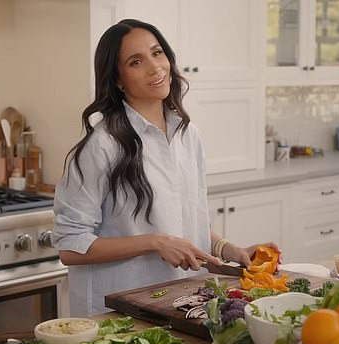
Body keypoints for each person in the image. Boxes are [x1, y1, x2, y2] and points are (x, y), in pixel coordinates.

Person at [52, 19, 279, 317]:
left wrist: (227, 250)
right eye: (136, 62)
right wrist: (155, 243)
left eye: (157, 53)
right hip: (119, 315)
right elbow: (70, 247)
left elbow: (185, 219)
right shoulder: (102, 145)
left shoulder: (187, 133)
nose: (155, 67)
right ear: (118, 79)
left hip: (183, 303)